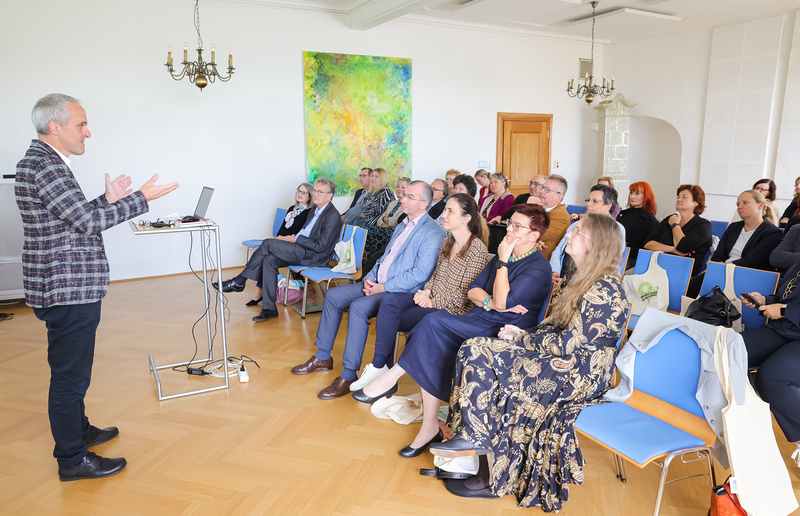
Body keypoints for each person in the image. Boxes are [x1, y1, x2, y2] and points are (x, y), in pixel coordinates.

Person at [15, 93, 179, 481]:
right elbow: (87, 223)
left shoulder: (42, 161)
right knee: (70, 377)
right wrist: (140, 198)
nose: (87, 132)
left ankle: (80, 431)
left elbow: (71, 217)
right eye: (81, 124)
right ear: (55, 127)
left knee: (73, 372)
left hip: (63, 284)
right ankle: (72, 459)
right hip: (67, 287)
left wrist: (107, 199)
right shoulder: (47, 165)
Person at [429, 214, 629, 510]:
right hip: (560, 357)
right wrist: (523, 333)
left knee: (495, 367)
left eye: (577, 232)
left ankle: (493, 474)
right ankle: (472, 436)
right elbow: (554, 325)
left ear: (594, 244)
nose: (568, 235)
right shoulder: (579, 276)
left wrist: (521, 338)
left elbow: (567, 343)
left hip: (581, 370)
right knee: (474, 347)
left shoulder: (604, 288)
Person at [352, 204, 552, 458]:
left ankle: (392, 381)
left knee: (433, 323)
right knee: (431, 328)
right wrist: (490, 301)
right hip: (480, 316)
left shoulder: (537, 267)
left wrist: (501, 265)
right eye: (510, 222)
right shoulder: (506, 256)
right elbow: (473, 290)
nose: (509, 229)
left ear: (534, 235)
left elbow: (503, 303)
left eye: (517, 226)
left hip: (503, 329)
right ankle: (426, 424)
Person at [290, 180, 444, 399]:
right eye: (404, 195)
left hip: (398, 292)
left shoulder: (432, 231)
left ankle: (348, 374)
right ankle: (323, 356)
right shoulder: (403, 224)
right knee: (332, 296)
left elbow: (420, 274)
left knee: (358, 307)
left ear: (424, 203)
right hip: (377, 283)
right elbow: (384, 258)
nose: (402, 199)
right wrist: (370, 278)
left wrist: (383, 287)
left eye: (409, 197)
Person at [348, 193, 489, 392]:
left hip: (451, 311)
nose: (443, 215)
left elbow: (465, 294)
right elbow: (435, 276)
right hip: (430, 300)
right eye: (445, 210)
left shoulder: (476, 249)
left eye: (450, 211)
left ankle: (383, 372)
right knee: (390, 301)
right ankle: (379, 367)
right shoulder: (448, 242)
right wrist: (426, 292)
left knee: (391, 318)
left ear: (466, 218)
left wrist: (432, 302)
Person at [214, 178, 342, 322]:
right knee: (269, 260)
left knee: (268, 243)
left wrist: (296, 239)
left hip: (314, 256)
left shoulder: (332, 216)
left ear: (329, 196)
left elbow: (321, 246)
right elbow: (306, 233)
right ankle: (269, 309)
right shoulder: (315, 210)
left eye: (320, 192)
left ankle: (239, 280)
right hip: (301, 248)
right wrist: (292, 238)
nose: (315, 194)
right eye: (315, 191)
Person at [740, 259, 800, 467]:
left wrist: (783, 310)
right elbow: (789, 298)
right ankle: (733, 423)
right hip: (786, 328)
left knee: (772, 378)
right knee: (729, 350)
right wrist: (765, 300)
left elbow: (787, 307)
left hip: (790, 326)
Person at [686, 189, 782, 297]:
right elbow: (718, 255)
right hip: (723, 271)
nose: (739, 207)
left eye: (745, 203)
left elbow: (752, 261)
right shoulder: (733, 227)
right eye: (738, 204)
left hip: (748, 275)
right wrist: (718, 267)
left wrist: (721, 268)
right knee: (692, 286)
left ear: (760, 205)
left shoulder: (772, 233)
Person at [246, 182, 316, 306]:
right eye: (299, 191)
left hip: (295, 247)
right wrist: (280, 237)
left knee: (265, 254)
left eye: (304, 192)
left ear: (309, 196)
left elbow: (298, 235)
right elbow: (281, 231)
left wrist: (283, 238)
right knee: (266, 257)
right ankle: (261, 292)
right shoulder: (292, 209)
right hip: (283, 243)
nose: (300, 194)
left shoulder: (309, 212)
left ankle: (257, 288)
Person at [550, 184, 627, 286]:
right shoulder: (578, 224)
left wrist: (569, 282)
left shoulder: (615, 229)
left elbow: (611, 263)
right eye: (588, 200)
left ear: (608, 206)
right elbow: (559, 250)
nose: (589, 204)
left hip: (587, 282)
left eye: (595, 201)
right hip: (562, 277)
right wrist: (555, 272)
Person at [644, 184, 712, 275]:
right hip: (657, 267)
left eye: (684, 197)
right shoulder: (670, 218)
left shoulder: (704, 225)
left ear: (696, 203)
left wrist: (675, 225)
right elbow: (647, 244)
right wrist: (672, 249)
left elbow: (683, 247)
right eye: (678, 197)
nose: (679, 199)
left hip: (683, 273)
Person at [616, 181, 659, 270]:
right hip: (615, 254)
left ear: (646, 196)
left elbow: (648, 247)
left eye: (637, 193)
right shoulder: (623, 214)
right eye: (631, 193)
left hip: (633, 260)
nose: (632, 196)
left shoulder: (650, 219)